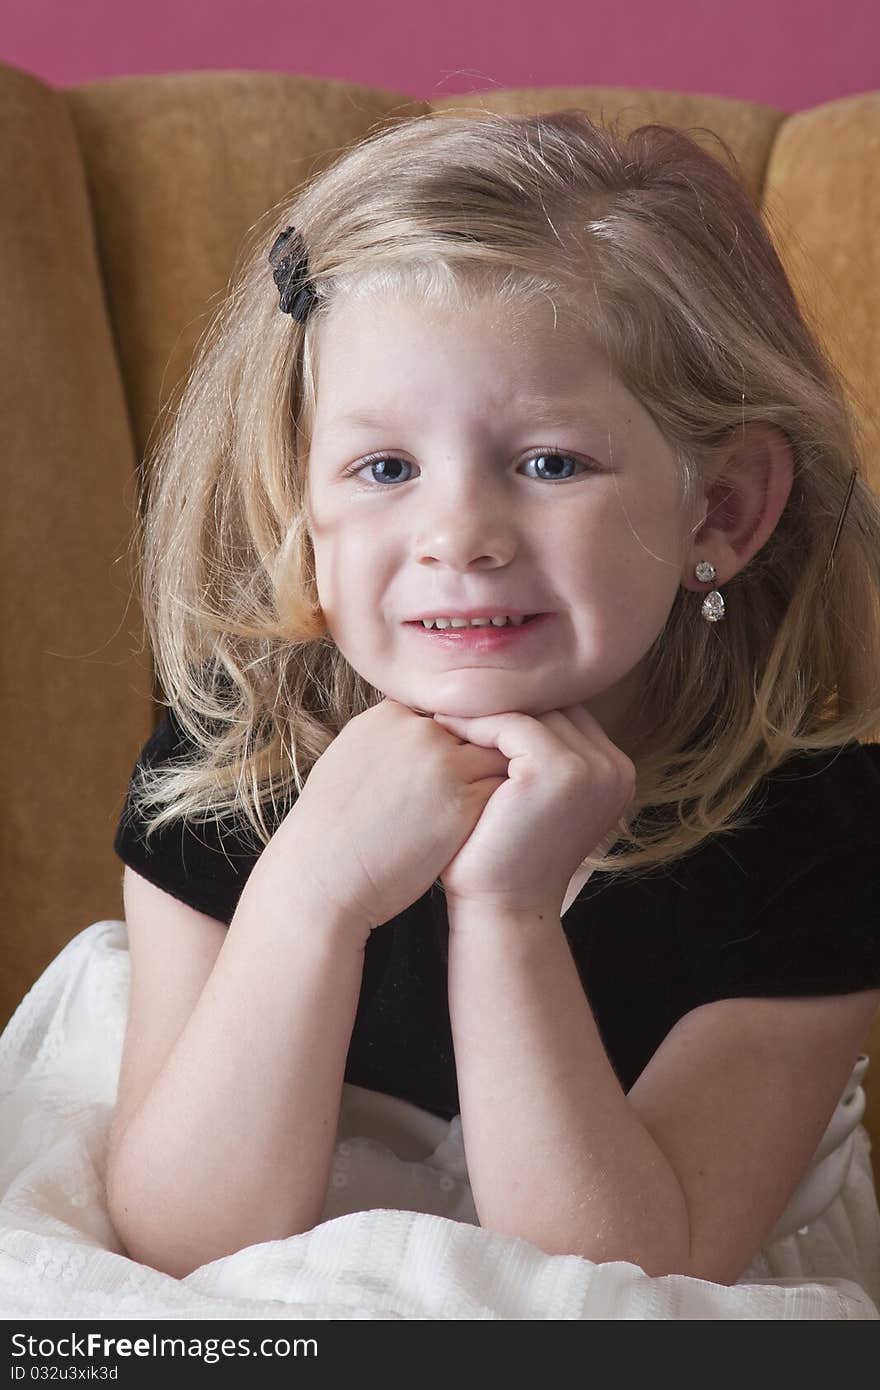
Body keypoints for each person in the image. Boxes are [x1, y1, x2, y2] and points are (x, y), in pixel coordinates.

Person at [107, 108, 880, 1288]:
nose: (457, 536)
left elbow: (617, 1286)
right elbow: (182, 1241)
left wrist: (509, 917)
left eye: (549, 462)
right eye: (383, 468)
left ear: (718, 512)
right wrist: (311, 889)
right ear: (301, 515)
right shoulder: (229, 756)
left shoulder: (813, 835)